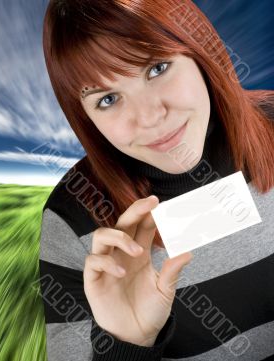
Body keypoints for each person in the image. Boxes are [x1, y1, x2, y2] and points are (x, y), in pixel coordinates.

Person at [37, 0, 274, 360]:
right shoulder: (74, 220)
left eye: (157, 68)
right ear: (85, 119)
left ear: (201, 52)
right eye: (109, 99)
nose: (149, 118)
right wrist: (126, 342)